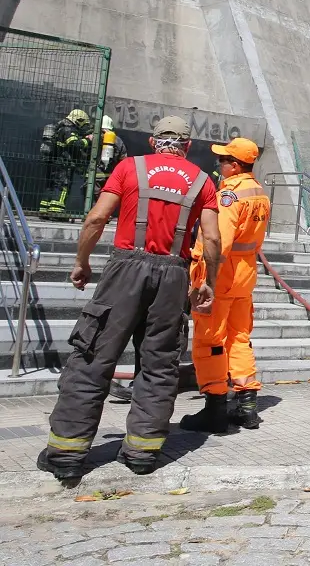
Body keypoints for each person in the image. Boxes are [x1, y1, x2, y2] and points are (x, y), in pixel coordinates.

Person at [37, 116, 221, 481]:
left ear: (154, 142)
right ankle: (142, 452)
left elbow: (96, 219)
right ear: (186, 146)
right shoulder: (203, 182)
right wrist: (207, 283)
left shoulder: (129, 167)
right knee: (158, 363)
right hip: (173, 274)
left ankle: (67, 453)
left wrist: (82, 262)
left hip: (125, 270)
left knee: (93, 356)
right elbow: (213, 240)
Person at [181, 137, 270, 433]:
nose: (218, 165)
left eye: (222, 161)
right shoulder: (259, 193)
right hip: (245, 274)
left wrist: (206, 282)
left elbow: (218, 242)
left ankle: (215, 407)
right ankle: (247, 406)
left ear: (234, 165)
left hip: (222, 274)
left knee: (210, 339)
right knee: (239, 337)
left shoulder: (229, 196)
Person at [39, 109, 93, 219]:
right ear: (79, 120)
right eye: (84, 123)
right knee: (62, 186)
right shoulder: (69, 130)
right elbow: (74, 144)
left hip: (53, 163)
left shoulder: (59, 128)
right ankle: (57, 212)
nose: (84, 126)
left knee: (50, 186)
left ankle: (45, 210)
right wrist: (88, 140)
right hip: (63, 164)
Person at [92, 115, 128, 198]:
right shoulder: (118, 140)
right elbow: (123, 160)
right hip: (110, 177)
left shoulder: (94, 137)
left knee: (91, 202)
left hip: (93, 176)